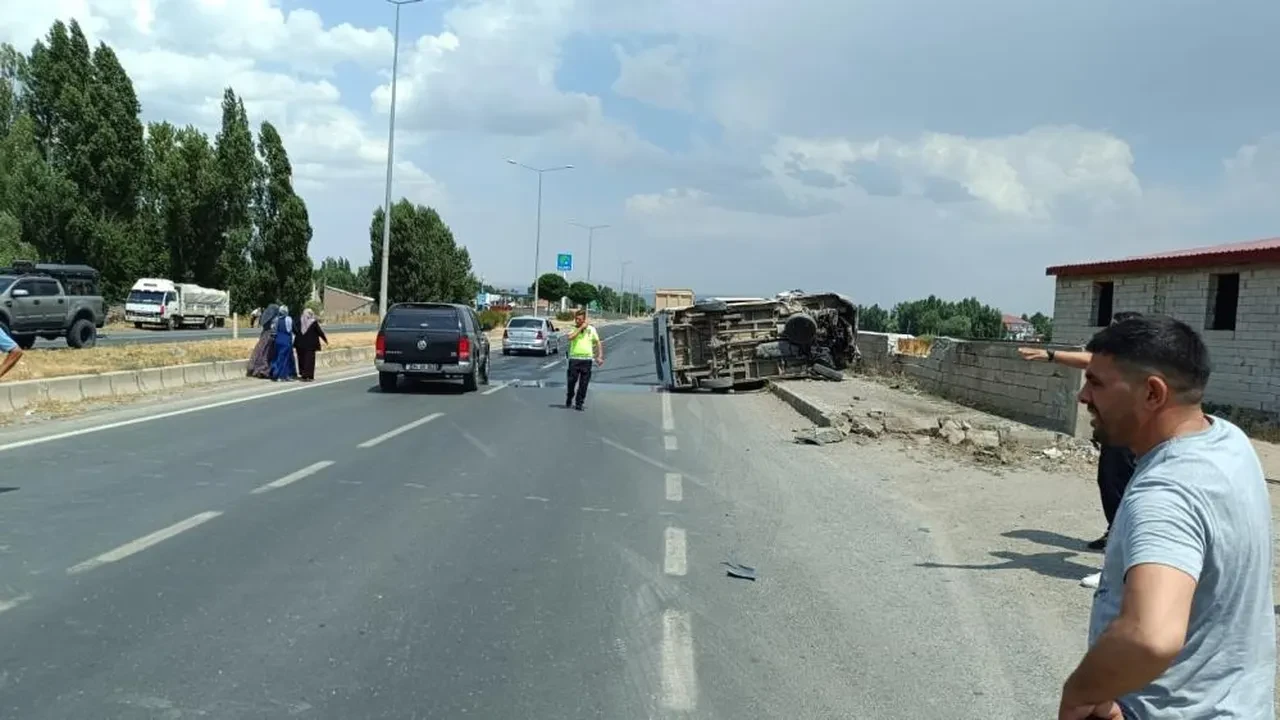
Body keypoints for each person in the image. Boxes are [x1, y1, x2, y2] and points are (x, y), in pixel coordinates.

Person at [1056, 314, 1274, 720]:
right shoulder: (1227, 440)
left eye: (1097, 383)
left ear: (1153, 394)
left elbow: (1149, 636)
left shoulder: (1166, 493)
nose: (1083, 396)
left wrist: (1081, 694)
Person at [1019, 311, 1143, 589]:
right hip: (1120, 430)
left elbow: (1089, 360)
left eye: (1114, 329)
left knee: (1120, 490)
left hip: (1128, 431)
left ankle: (1117, 568)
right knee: (1114, 486)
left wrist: (1050, 355)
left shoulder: (1132, 357)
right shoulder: (1127, 356)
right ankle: (1118, 552)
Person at [564, 309, 604, 411]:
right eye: (576, 319)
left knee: (584, 384)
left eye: (580, 319)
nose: (578, 321)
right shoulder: (573, 328)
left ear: (585, 319)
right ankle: (570, 396)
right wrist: (580, 328)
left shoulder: (591, 329)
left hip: (586, 360)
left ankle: (579, 403)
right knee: (572, 381)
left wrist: (599, 356)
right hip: (574, 359)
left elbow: (598, 342)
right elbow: (570, 337)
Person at [293, 308, 328, 381]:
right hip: (310, 345)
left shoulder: (299, 320)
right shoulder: (313, 322)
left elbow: (294, 328)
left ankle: (303, 374)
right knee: (310, 360)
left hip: (300, 344)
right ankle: (309, 375)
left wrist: (298, 334)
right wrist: (325, 339)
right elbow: (319, 332)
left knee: (301, 359)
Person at [246, 303, 280, 379]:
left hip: (263, 336)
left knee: (260, 352)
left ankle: (256, 369)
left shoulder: (265, 316)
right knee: (268, 354)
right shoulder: (275, 318)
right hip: (270, 336)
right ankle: (264, 371)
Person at [270, 305, 297, 381]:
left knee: (278, 358)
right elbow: (294, 329)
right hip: (286, 340)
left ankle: (277, 374)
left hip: (278, 340)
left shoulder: (275, 320)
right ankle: (283, 376)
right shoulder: (289, 319)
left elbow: (273, 331)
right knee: (286, 359)